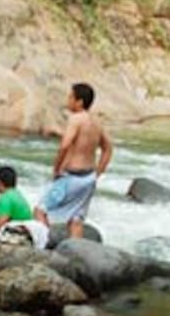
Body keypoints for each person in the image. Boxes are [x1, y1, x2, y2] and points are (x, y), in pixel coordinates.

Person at [34, 82, 113, 240]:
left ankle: (42, 245)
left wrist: (56, 169)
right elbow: (108, 149)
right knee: (76, 220)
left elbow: (64, 145)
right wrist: (98, 172)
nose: (68, 100)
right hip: (88, 178)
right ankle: (76, 255)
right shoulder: (97, 122)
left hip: (71, 177)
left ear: (80, 102)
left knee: (40, 210)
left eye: (71, 97)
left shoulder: (76, 119)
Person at [0, 165, 49, 249]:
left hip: (17, 235)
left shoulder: (5, 197)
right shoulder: (18, 194)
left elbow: (2, 222)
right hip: (31, 234)